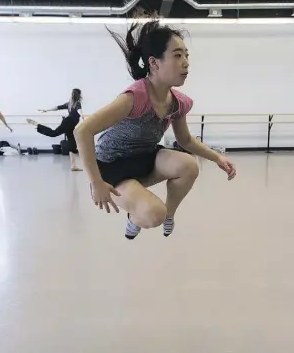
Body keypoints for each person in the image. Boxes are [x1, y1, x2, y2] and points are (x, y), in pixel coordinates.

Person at [74, 14, 237, 240]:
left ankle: (169, 213)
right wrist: (96, 183)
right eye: (177, 55)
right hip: (112, 168)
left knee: (189, 166)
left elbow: (186, 141)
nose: (186, 63)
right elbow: (82, 131)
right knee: (152, 215)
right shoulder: (134, 98)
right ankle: (136, 217)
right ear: (154, 62)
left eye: (187, 56)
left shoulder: (179, 102)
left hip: (145, 158)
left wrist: (217, 158)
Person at [26, 88, 83, 171]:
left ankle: (73, 166)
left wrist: (46, 110)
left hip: (70, 125)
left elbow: (57, 107)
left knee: (73, 144)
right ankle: (38, 125)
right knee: (53, 133)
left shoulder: (69, 104)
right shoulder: (77, 104)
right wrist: (82, 117)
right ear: (79, 96)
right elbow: (79, 112)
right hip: (69, 123)